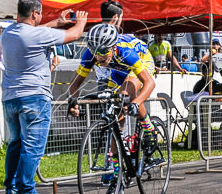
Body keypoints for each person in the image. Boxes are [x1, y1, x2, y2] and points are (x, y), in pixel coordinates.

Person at [0, 0, 88, 194]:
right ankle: (26, 190)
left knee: (16, 142)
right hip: (34, 96)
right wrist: (81, 21)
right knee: (33, 145)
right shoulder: (38, 35)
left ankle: (11, 188)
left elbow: (32, 32)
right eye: (39, 14)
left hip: (10, 96)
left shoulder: (8, 32)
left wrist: (56, 22)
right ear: (34, 14)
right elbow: (74, 35)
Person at [66, 23, 159, 155]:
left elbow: (150, 83)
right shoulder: (91, 54)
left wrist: (136, 103)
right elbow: (75, 83)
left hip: (142, 61)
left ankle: (149, 128)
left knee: (125, 93)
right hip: (119, 69)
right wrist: (73, 101)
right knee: (115, 109)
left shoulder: (126, 52)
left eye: (103, 51)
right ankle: (116, 166)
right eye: (95, 52)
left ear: (113, 47)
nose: (99, 56)